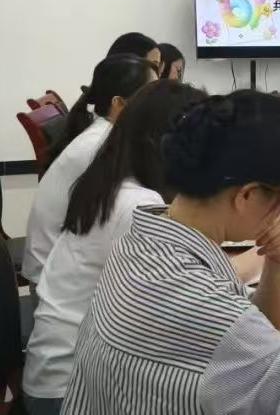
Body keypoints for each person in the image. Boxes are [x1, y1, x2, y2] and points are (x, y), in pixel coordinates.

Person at [62, 90, 280, 414]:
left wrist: (278, 262)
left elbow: (258, 333)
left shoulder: (137, 244)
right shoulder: (214, 314)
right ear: (248, 195)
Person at [22, 80, 208, 412]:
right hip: (70, 393)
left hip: (57, 374)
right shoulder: (138, 203)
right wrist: (264, 257)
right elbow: (187, 302)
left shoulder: (111, 181)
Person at [21, 54, 158, 285]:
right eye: (150, 96)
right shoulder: (99, 146)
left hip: (57, 266)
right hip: (52, 278)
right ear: (118, 103)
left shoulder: (104, 134)